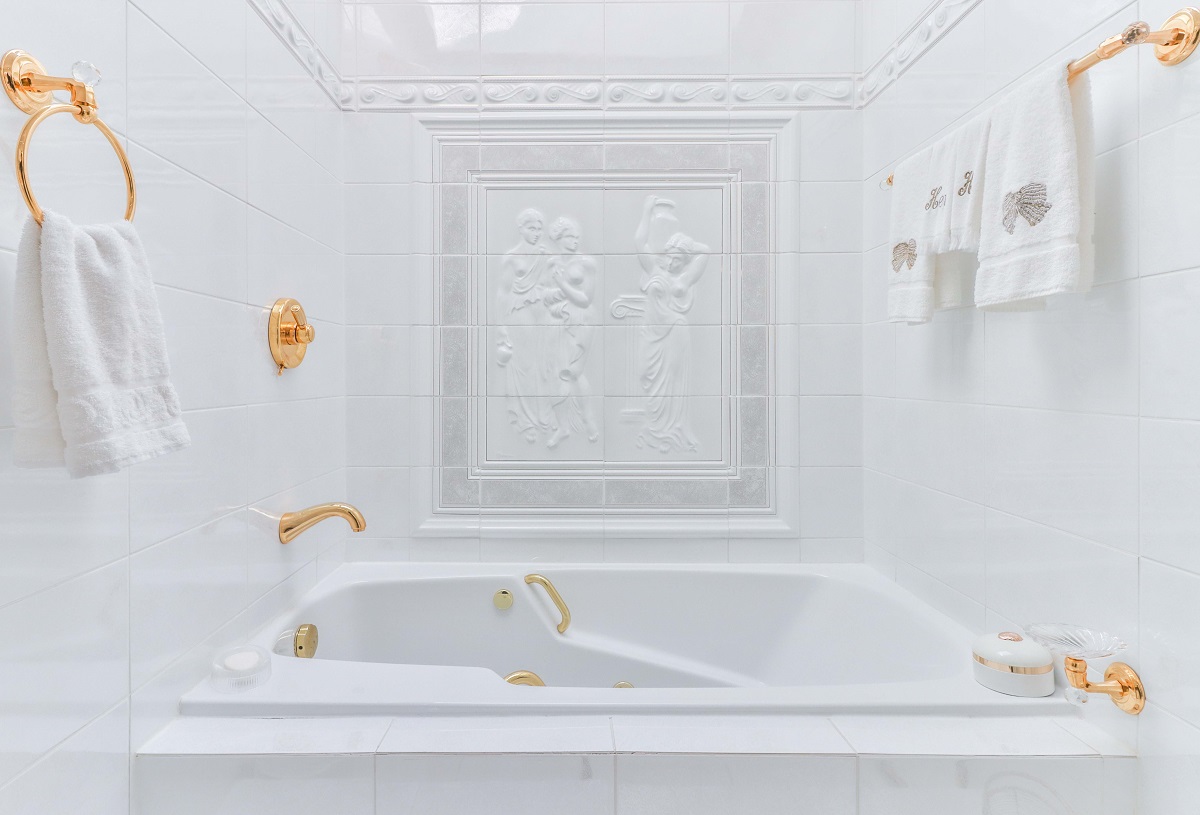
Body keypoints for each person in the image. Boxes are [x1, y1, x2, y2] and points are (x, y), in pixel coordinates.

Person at [633, 195, 710, 453]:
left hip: (675, 333)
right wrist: (646, 210)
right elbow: (639, 242)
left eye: (679, 259)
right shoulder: (654, 269)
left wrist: (684, 244)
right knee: (645, 375)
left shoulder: (684, 280)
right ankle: (655, 429)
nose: (673, 262)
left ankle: (673, 430)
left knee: (675, 381)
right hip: (651, 336)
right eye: (671, 256)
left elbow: (705, 251)